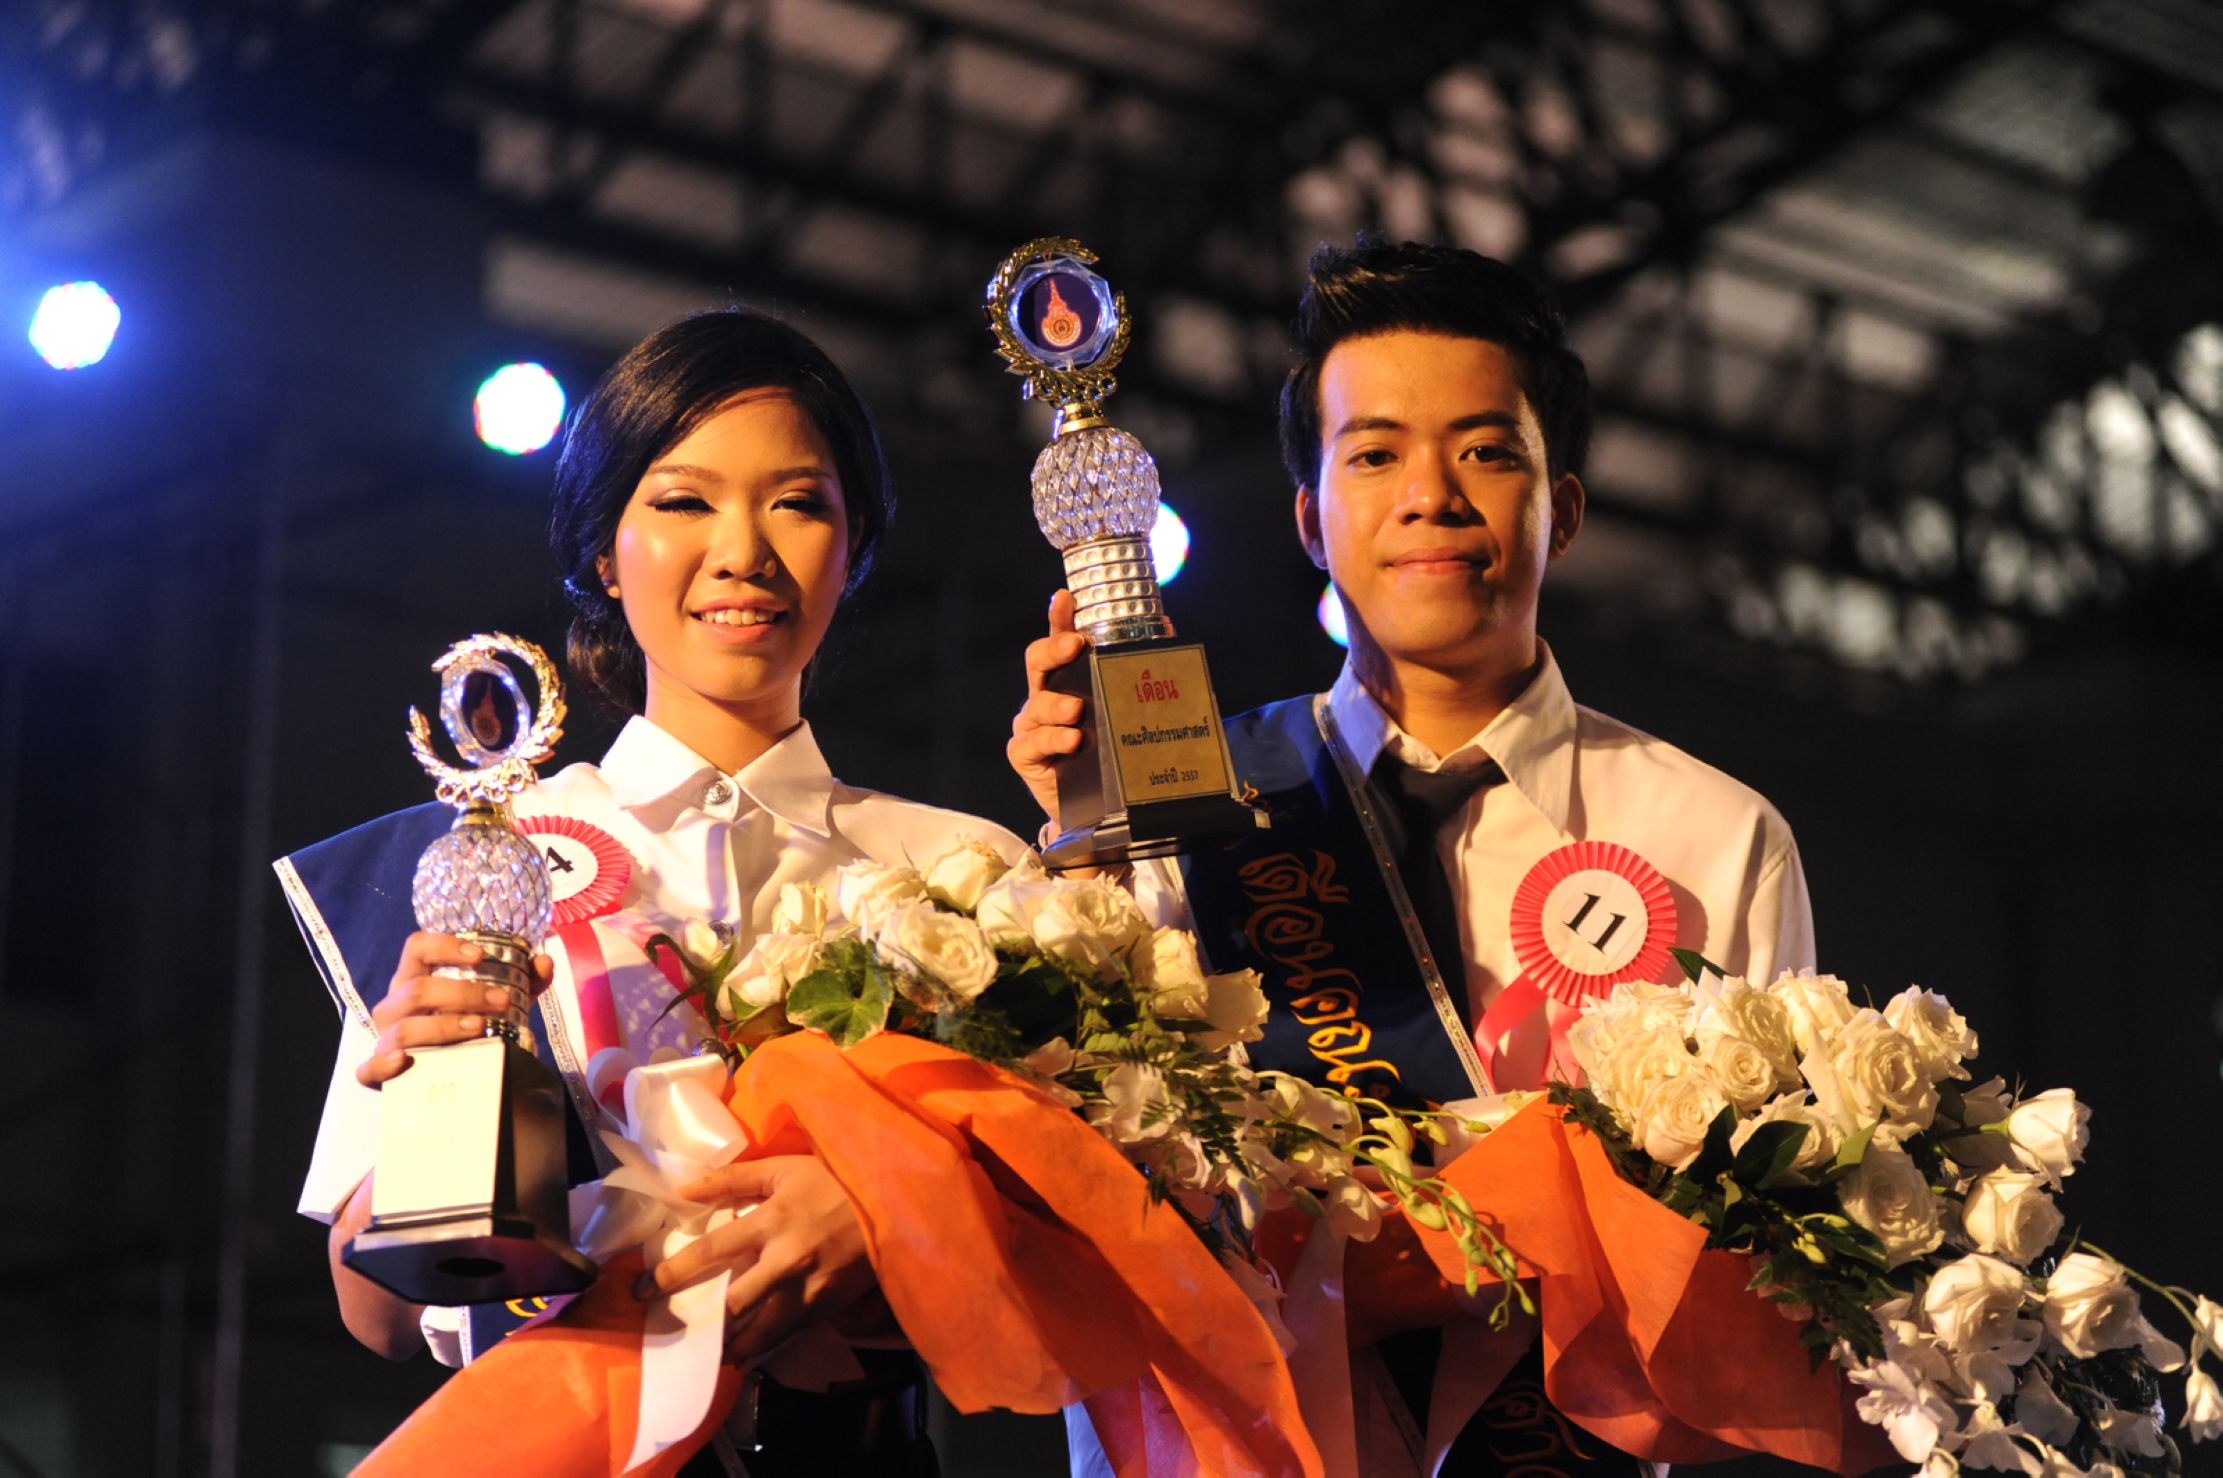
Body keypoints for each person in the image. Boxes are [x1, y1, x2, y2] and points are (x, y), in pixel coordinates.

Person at [1009, 238, 1817, 1475]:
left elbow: (1768, 1272)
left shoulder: (1719, 836)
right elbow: (1092, 1168)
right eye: (1375, 454)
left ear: (1566, 508)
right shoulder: (1188, 802)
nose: (1430, 495)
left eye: (1486, 451)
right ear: (1310, 518)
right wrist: (1080, 844)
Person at [280, 308, 1027, 1475]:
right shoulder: (483, 860)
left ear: (856, 542)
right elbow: (374, 1312)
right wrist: (428, 1126)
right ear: (601, 550)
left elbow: (1065, 1259)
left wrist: (890, 1209)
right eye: (683, 501)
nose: (743, 551)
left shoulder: (969, 872)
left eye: (797, 502)